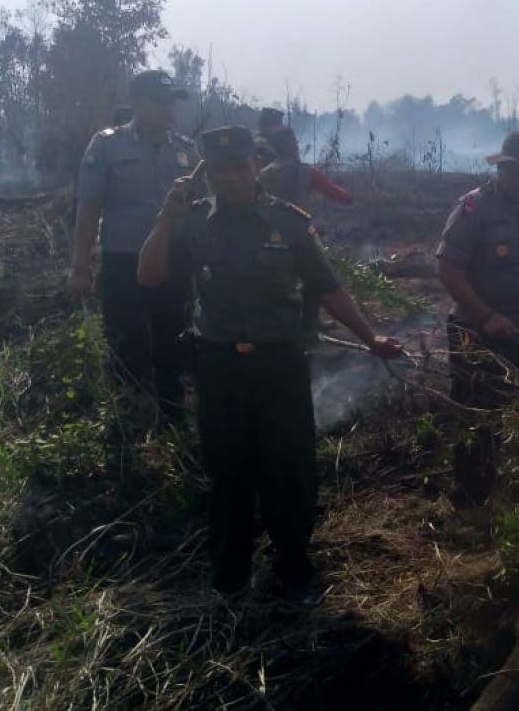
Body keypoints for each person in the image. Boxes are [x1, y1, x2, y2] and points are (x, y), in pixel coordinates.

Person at [137, 125, 405, 600]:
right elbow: (150, 275)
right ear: (211, 174)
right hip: (219, 366)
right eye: (222, 169)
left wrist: (372, 336)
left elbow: (328, 288)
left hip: (279, 364)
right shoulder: (192, 221)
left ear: (256, 165)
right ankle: (230, 575)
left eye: (241, 165)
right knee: (228, 470)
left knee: (290, 466)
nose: (234, 176)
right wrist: (164, 217)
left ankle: (293, 565)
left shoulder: (290, 223)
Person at [435, 130, 519, 504]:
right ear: (502, 168)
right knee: (481, 419)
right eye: (514, 173)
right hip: (477, 334)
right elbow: (449, 269)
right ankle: (471, 507)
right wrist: (486, 315)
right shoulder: (473, 209)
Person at [69, 70, 198, 424]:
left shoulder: (186, 150)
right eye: (163, 102)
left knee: (174, 336)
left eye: (173, 102)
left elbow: (202, 210)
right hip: (124, 262)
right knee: (128, 342)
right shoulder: (107, 146)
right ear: (140, 104)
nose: (171, 110)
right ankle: (130, 421)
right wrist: (80, 268)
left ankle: (172, 419)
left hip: (173, 262)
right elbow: (89, 207)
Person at [258, 127, 352, 209]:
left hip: (268, 227)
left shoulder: (264, 174)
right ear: (292, 146)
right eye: (295, 143)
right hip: (298, 226)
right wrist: (348, 198)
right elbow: (329, 189)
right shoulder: (306, 172)